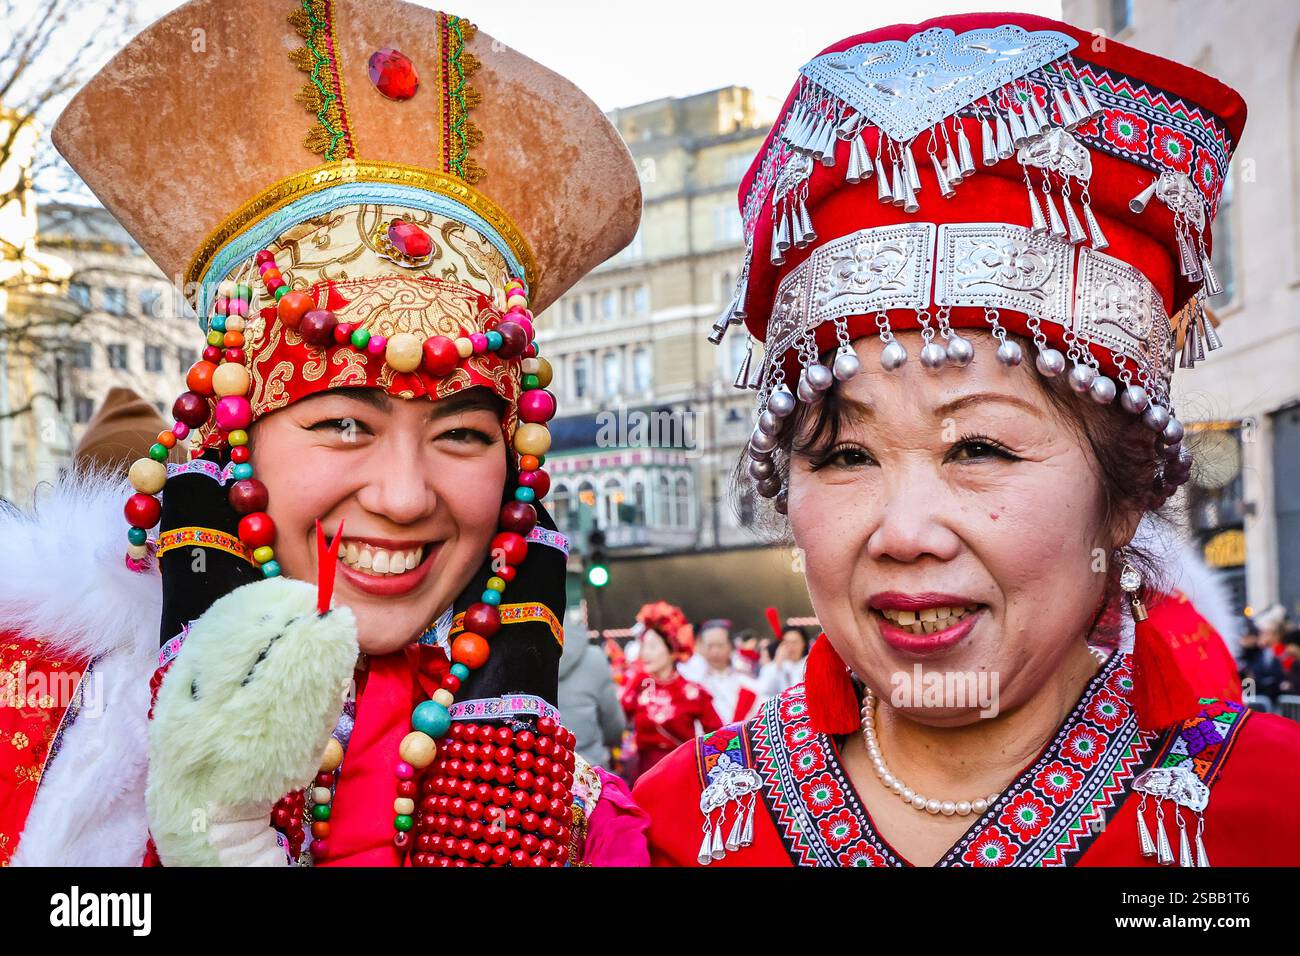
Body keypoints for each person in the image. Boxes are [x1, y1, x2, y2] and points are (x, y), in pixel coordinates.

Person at [634, 12, 1300, 866]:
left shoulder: (1268, 810)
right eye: (846, 456)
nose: (906, 533)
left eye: (978, 448)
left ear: (1124, 498)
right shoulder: (673, 825)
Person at [1, 0, 645, 867]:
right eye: (344, 423)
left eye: (461, 434)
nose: (404, 496)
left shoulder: (579, 822)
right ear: (234, 439)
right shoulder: (39, 714)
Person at [620, 603, 721, 784]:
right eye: (644, 646)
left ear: (673, 650)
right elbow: (618, 720)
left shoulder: (693, 692)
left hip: (681, 774)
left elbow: (717, 735)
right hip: (644, 775)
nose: (645, 653)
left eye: (652, 647)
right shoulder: (640, 684)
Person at [557, 628, 626, 771]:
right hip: (590, 770)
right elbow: (613, 726)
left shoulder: (516, 658)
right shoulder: (594, 658)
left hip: (535, 774)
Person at [681, 619, 760, 724]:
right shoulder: (691, 679)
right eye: (710, 646)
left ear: (731, 646)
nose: (715, 651)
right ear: (700, 646)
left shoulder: (746, 680)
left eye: (720, 645)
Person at [758, 626, 809, 700]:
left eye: (794, 642)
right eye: (786, 643)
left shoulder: (810, 664)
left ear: (804, 643)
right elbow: (764, 690)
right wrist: (777, 663)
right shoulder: (774, 666)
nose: (790, 647)